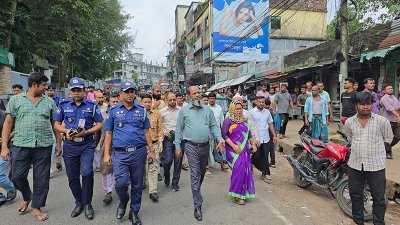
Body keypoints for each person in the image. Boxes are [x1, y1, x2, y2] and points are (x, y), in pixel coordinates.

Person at [1, 72, 61, 221]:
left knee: (41, 178)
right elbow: (8, 123)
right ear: (34, 84)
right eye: (44, 85)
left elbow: (55, 124)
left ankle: (37, 206)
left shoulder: (49, 102)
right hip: (20, 144)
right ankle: (28, 196)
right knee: (16, 176)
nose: (46, 88)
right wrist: (4, 146)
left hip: (43, 145)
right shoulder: (15, 100)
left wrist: (59, 143)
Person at [103, 81, 155, 225]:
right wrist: (106, 154)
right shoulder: (113, 111)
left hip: (138, 153)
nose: (130, 94)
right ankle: (123, 201)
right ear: (120, 94)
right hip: (120, 154)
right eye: (127, 91)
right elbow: (108, 133)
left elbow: (146, 132)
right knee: (121, 183)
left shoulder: (142, 110)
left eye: (133, 91)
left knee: (137, 185)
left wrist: (151, 150)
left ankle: (134, 212)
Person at [53, 77, 103, 220]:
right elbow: (56, 123)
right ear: (70, 91)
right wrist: (65, 131)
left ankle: (87, 203)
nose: (76, 93)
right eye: (73, 90)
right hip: (69, 145)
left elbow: (100, 123)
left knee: (87, 173)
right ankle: (79, 202)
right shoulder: (63, 104)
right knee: (72, 176)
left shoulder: (92, 105)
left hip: (86, 144)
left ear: (84, 91)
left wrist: (87, 132)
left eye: (79, 90)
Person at [175, 86, 224, 221]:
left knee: (201, 173)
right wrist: (177, 146)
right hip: (190, 147)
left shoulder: (207, 110)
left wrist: (219, 139)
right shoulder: (184, 111)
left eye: (199, 93)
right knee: (195, 174)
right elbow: (179, 129)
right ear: (189, 96)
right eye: (194, 93)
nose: (197, 95)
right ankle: (198, 204)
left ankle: (197, 191)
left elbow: (214, 126)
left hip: (205, 147)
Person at [343, 92, 393, 225]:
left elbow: (388, 139)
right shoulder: (349, 122)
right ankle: (358, 221)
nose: (365, 107)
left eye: (368, 104)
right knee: (355, 195)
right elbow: (350, 138)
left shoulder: (382, 121)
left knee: (378, 198)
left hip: (376, 166)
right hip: (355, 165)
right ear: (356, 105)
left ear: (372, 105)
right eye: (362, 104)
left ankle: (378, 222)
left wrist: (375, 150)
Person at [222, 100, 257, 205]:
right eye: (237, 109)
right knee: (239, 170)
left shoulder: (245, 120)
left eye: (240, 108)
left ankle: (242, 193)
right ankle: (237, 194)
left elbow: (248, 134)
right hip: (233, 151)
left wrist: (253, 143)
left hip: (244, 150)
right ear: (232, 109)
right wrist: (234, 146)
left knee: (245, 171)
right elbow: (224, 135)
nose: (239, 111)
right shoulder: (228, 121)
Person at [249, 96, 277, 182]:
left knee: (265, 156)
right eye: (260, 102)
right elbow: (249, 126)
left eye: (263, 102)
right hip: (255, 139)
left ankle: (265, 174)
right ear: (256, 102)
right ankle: (255, 167)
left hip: (265, 137)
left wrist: (274, 135)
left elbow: (270, 123)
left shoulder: (267, 112)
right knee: (256, 156)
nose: (261, 103)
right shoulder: (251, 112)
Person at [141, 94, 163, 201]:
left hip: (153, 145)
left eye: (149, 102)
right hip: (140, 145)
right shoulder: (137, 114)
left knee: (153, 167)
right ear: (141, 103)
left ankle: (153, 191)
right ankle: (142, 181)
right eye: (145, 102)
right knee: (141, 167)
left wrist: (160, 143)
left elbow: (159, 130)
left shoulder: (157, 114)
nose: (147, 104)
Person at [93, 91, 114, 205]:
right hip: (105, 145)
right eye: (113, 101)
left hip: (121, 147)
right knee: (107, 170)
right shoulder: (102, 113)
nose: (115, 103)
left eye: (117, 101)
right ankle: (108, 192)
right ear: (109, 102)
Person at [160, 92, 184, 191]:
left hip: (180, 139)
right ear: (166, 100)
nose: (173, 101)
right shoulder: (162, 112)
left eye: (174, 99)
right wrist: (164, 132)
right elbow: (159, 126)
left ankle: (175, 183)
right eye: (170, 100)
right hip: (168, 140)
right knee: (168, 160)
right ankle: (166, 176)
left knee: (178, 162)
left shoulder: (181, 111)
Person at [208, 92, 229, 172]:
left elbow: (222, 121)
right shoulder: (206, 108)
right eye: (211, 98)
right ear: (209, 99)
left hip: (218, 132)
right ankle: (208, 166)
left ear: (215, 99)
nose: (212, 100)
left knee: (220, 148)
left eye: (213, 98)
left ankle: (222, 164)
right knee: (209, 149)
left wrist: (223, 131)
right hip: (209, 132)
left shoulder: (219, 108)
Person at [0, 109, 17, 207]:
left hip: (6, 148)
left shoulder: (5, 115)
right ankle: (1, 198)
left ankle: (11, 189)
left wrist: (5, 138)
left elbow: (15, 129)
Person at [379, 85, 400, 159]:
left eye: (391, 88)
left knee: (398, 136)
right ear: (384, 91)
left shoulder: (394, 97)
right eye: (389, 88)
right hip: (388, 120)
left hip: (396, 120)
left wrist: (397, 111)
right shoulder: (383, 99)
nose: (391, 89)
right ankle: (388, 152)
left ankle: (385, 147)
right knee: (388, 137)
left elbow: (398, 106)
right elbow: (390, 109)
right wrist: (398, 115)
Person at [47, 83, 63, 173]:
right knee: (49, 146)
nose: (49, 92)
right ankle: (49, 168)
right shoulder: (44, 99)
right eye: (48, 90)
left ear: (54, 90)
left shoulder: (59, 100)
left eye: (51, 90)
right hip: (47, 125)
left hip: (57, 125)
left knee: (58, 145)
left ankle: (58, 161)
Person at [94, 91, 108, 173]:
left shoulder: (106, 106)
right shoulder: (92, 107)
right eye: (99, 97)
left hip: (105, 130)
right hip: (95, 130)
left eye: (102, 97)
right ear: (94, 98)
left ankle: (103, 163)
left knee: (103, 146)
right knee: (96, 147)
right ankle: (98, 165)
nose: (101, 99)